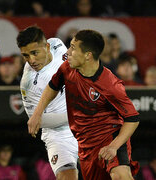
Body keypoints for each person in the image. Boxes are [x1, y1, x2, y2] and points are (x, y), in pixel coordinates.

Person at [28, 29, 140, 180]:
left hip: (109, 137)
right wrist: (37, 113)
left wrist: (114, 146)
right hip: (85, 145)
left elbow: (132, 119)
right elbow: (52, 86)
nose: (67, 52)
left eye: (73, 48)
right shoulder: (67, 68)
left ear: (88, 55)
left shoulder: (110, 85)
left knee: (121, 176)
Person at [17, 26, 78, 180]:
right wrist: (74, 116)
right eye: (25, 56)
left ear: (47, 46)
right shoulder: (28, 82)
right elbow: (38, 121)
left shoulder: (57, 44)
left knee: (118, 173)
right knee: (68, 176)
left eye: (34, 53)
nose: (31, 60)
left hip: (88, 124)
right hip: (59, 133)